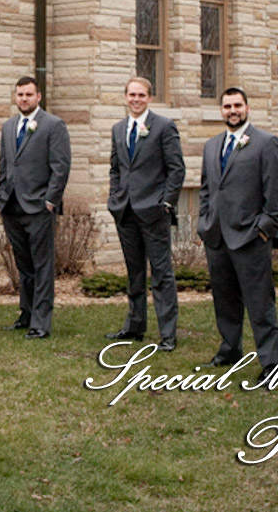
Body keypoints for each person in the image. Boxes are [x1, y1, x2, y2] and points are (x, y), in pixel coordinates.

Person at [198, 86, 278, 376]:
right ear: (220, 110)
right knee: (224, 300)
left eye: (237, 105)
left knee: (260, 302)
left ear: (247, 108)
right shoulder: (211, 146)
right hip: (217, 236)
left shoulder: (265, 143)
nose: (232, 111)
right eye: (227, 106)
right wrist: (204, 221)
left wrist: (264, 230)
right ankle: (230, 349)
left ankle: (270, 362)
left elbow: (275, 194)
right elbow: (207, 189)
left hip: (250, 237)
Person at [106, 76, 185, 350]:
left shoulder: (163, 127)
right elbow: (115, 168)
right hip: (125, 211)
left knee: (162, 273)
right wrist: (114, 196)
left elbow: (176, 169)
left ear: (149, 97)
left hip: (154, 211)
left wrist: (166, 202)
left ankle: (167, 334)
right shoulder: (118, 129)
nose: (136, 99)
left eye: (141, 95)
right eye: (132, 95)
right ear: (125, 97)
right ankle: (134, 326)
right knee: (134, 273)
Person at [0, 75, 71, 339]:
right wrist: (1, 196)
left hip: (39, 207)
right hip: (12, 206)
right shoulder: (8, 126)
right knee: (24, 265)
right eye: (20, 94)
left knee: (42, 266)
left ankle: (41, 323)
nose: (24, 99)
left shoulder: (53, 125)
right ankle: (26, 314)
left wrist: (50, 201)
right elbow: (6, 165)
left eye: (29, 94)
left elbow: (60, 168)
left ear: (38, 97)